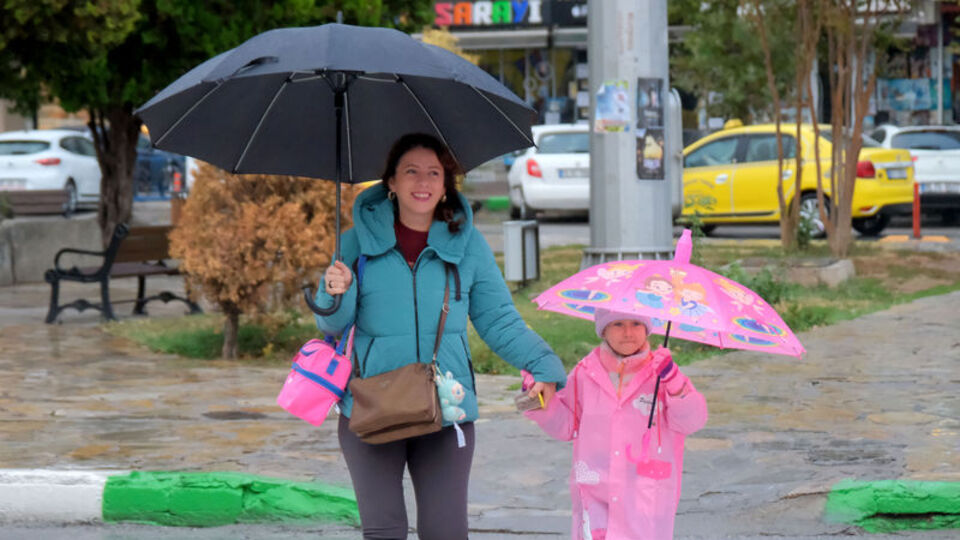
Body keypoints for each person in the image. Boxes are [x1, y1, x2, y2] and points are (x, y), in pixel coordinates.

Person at [314, 133, 567, 540]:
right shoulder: (356, 242)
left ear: (446, 183)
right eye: (410, 171)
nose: (423, 182)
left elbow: (498, 318)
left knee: (446, 532)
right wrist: (333, 291)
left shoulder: (468, 244)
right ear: (391, 182)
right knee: (384, 532)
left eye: (434, 172)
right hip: (369, 407)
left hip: (446, 409)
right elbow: (332, 326)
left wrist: (543, 365)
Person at [524, 307, 708, 540]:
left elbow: (691, 422)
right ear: (603, 330)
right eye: (618, 324)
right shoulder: (585, 372)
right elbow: (565, 425)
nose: (628, 332)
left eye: (636, 324)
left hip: (644, 496)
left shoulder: (662, 373)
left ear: (648, 328)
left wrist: (675, 383)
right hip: (596, 492)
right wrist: (532, 399)